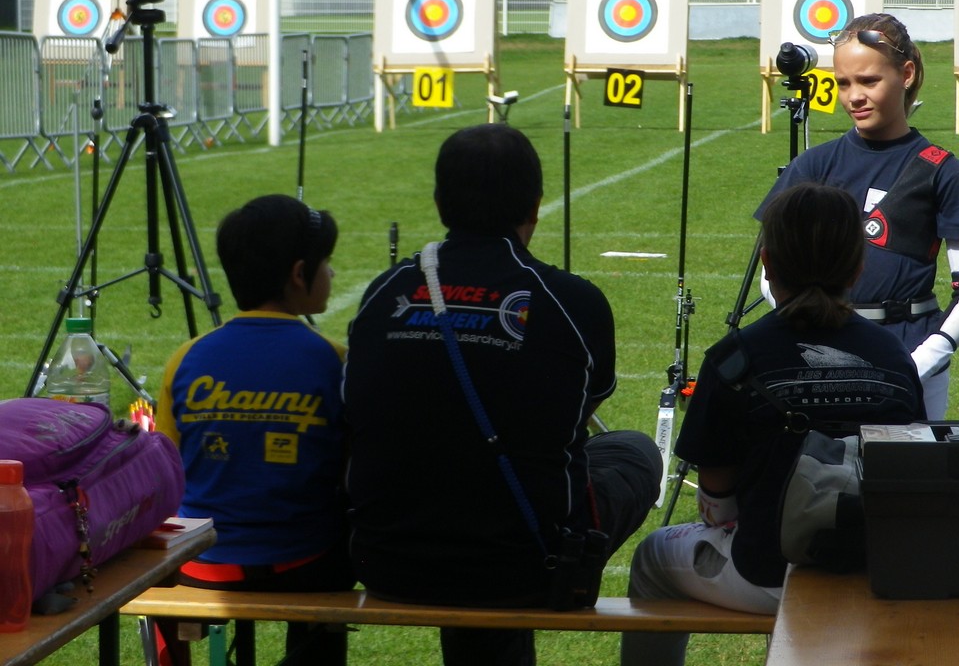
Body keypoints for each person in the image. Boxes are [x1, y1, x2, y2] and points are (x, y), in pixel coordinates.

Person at [344, 124, 662, 666]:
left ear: (441, 202)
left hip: (386, 558)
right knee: (634, 451)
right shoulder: (573, 301)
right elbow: (579, 414)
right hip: (523, 563)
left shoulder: (383, 290)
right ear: (535, 206)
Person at [622, 183, 924, 666]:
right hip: (871, 565)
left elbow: (716, 500)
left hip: (766, 570)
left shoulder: (735, 354)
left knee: (653, 556)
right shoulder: (894, 355)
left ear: (767, 261)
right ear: (857, 266)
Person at [755, 13, 959, 419]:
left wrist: (920, 364)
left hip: (912, 352)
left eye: (869, 81)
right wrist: (807, 330)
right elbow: (771, 271)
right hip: (822, 350)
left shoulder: (943, 171)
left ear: (907, 73)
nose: (853, 97)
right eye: (843, 83)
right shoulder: (813, 165)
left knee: (905, 478)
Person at [154, 194, 352, 666]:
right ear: (299, 274)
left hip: (201, 564)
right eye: (327, 264)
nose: (333, 275)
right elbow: (352, 474)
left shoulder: (187, 357)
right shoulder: (335, 359)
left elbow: (165, 474)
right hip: (305, 565)